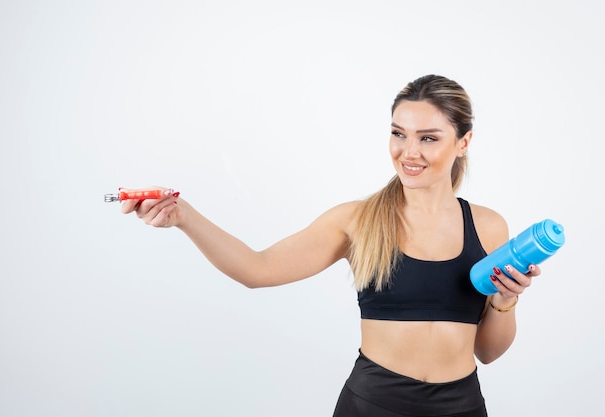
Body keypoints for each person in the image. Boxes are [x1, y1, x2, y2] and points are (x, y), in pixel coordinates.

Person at [120, 74, 540, 417]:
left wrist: (506, 300)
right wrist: (184, 217)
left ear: (463, 142)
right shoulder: (357, 220)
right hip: (374, 405)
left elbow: (488, 352)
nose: (408, 151)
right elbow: (257, 268)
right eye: (398, 133)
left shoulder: (488, 226)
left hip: (461, 407)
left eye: (428, 138)